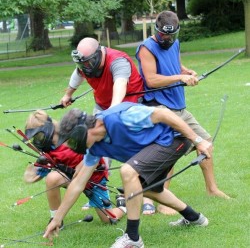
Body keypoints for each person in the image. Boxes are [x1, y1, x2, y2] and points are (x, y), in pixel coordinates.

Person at [43, 102, 213, 247]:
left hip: (174, 140)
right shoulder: (93, 148)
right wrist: (57, 218)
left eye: (73, 140)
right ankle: (195, 218)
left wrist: (197, 140)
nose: (73, 146)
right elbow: (78, 183)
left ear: (84, 131)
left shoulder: (121, 117)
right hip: (155, 149)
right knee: (147, 189)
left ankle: (132, 238)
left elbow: (163, 113)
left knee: (128, 171)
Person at [135, 10, 230, 215]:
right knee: (170, 152)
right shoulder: (146, 48)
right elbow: (151, 80)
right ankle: (160, 202)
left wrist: (186, 72)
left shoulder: (174, 43)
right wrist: (180, 77)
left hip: (179, 106)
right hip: (159, 107)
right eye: (163, 36)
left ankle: (212, 189)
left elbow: (175, 65)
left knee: (205, 143)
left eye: (171, 35)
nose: (167, 39)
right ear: (157, 30)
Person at [60, 36, 144, 209]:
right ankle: (100, 193)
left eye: (88, 63)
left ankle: (145, 195)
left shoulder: (118, 61)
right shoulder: (85, 65)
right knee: (97, 150)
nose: (86, 68)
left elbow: (120, 85)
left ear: (98, 54)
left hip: (129, 107)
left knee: (135, 149)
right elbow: (78, 74)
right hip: (102, 107)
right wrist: (68, 94)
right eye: (83, 65)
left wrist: (111, 113)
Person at [24, 110, 126, 225]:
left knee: (109, 219)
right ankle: (56, 219)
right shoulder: (48, 148)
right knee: (52, 179)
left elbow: (94, 152)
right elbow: (38, 173)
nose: (38, 140)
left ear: (48, 129)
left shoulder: (73, 134)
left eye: (39, 136)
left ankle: (123, 205)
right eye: (36, 138)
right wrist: (35, 172)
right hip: (71, 178)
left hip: (94, 179)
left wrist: (82, 164)